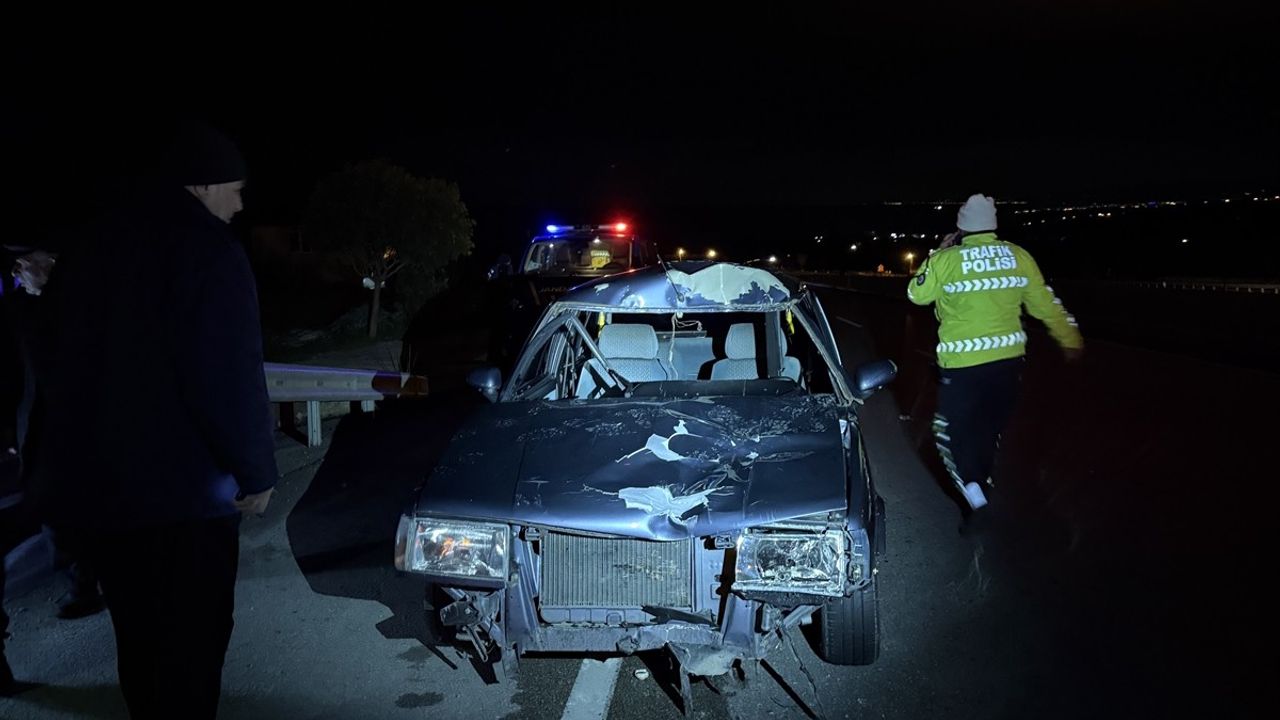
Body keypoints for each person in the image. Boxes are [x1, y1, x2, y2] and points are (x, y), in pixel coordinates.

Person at [29, 121, 278, 719]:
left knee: (139, 645)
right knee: (193, 650)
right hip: (187, 502)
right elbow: (226, 373)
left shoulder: (91, 247)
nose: (241, 204)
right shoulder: (210, 253)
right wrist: (256, 470)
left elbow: (53, 362)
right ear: (202, 185)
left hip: (105, 498)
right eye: (235, 189)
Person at [907, 193, 1083, 519]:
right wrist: (1069, 337)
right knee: (988, 427)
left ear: (961, 228)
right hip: (1007, 364)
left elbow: (917, 294)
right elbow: (1046, 303)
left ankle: (973, 486)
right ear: (993, 225)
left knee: (950, 429)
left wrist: (937, 253)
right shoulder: (1018, 257)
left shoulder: (948, 260)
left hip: (962, 366)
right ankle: (982, 478)